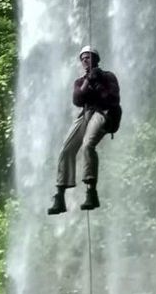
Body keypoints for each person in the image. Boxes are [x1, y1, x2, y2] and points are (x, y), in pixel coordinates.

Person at [47, 46, 120, 215]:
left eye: (88, 57)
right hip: (86, 113)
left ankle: (91, 192)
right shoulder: (80, 81)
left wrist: (99, 81)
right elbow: (77, 100)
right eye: (82, 58)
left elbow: (113, 99)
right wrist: (88, 81)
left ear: (95, 59)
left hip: (103, 112)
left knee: (88, 145)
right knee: (66, 148)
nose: (85, 60)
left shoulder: (108, 76)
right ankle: (60, 196)